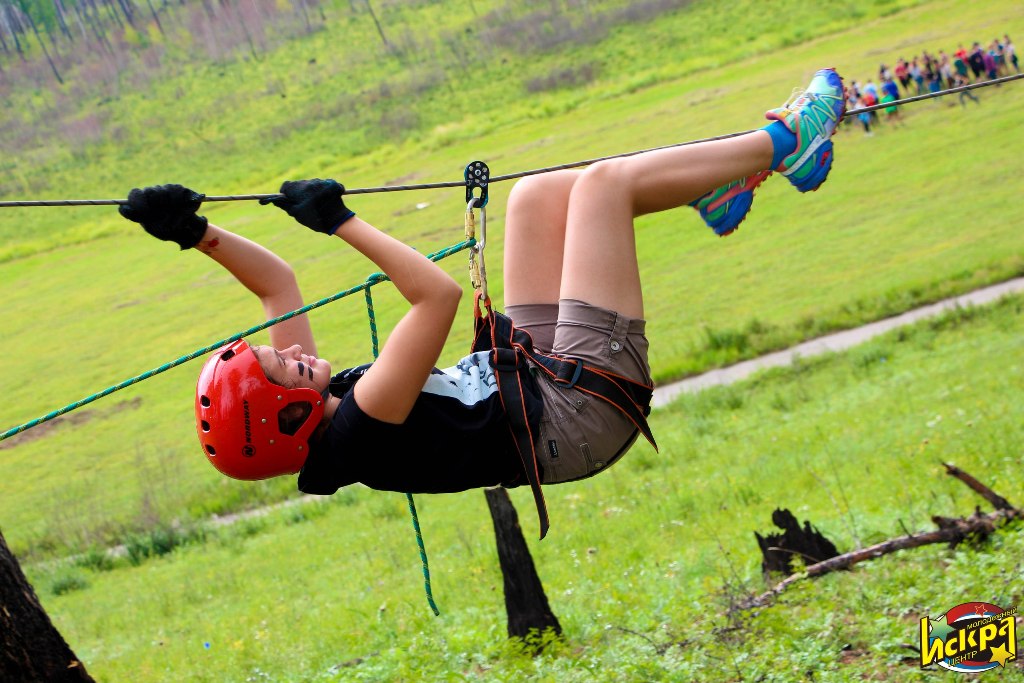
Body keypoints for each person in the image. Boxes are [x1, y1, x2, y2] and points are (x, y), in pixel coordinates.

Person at [118, 69, 846, 536]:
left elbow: (278, 283)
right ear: (287, 414)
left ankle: (715, 186)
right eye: (285, 366)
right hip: (577, 413)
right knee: (601, 190)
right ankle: (787, 141)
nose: (296, 352)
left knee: (535, 197)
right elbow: (432, 297)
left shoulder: (321, 409)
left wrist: (193, 232)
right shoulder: (358, 433)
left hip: (530, 378)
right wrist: (342, 222)